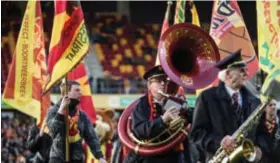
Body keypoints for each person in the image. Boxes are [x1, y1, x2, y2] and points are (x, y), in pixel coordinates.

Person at [189, 50, 279, 163]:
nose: (246, 74)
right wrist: (219, 142)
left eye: (246, 70)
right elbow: (196, 135)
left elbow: (262, 134)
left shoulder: (255, 101)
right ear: (227, 74)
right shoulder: (207, 98)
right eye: (241, 71)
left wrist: (260, 149)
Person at [123, 65, 190, 163]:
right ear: (149, 85)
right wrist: (163, 120)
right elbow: (140, 130)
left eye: (165, 81)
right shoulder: (142, 105)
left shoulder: (173, 103)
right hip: (148, 158)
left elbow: (186, 124)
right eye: (158, 81)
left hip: (171, 157)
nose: (163, 84)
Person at [46, 80, 107, 163]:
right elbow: (53, 131)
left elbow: (91, 137)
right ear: (67, 92)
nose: (81, 93)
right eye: (77, 90)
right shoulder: (53, 111)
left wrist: (100, 156)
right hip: (57, 159)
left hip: (77, 159)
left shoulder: (82, 115)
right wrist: (60, 112)